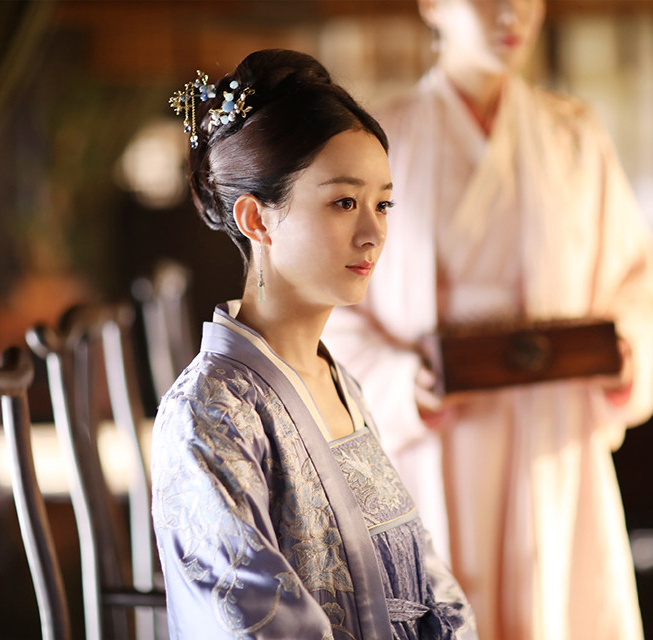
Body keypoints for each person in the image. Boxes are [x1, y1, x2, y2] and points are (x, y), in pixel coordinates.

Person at [323, 1, 653, 639]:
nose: (512, 13)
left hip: (554, 424)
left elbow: (632, 278)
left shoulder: (574, 133)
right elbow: (331, 302)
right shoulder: (380, 138)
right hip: (436, 431)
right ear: (432, 5)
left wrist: (622, 351)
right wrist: (400, 383)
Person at [150, 49, 477, 640]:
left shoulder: (339, 380)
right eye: (344, 202)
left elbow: (428, 578)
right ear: (256, 220)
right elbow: (252, 623)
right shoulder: (209, 412)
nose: (373, 233)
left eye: (383, 204)